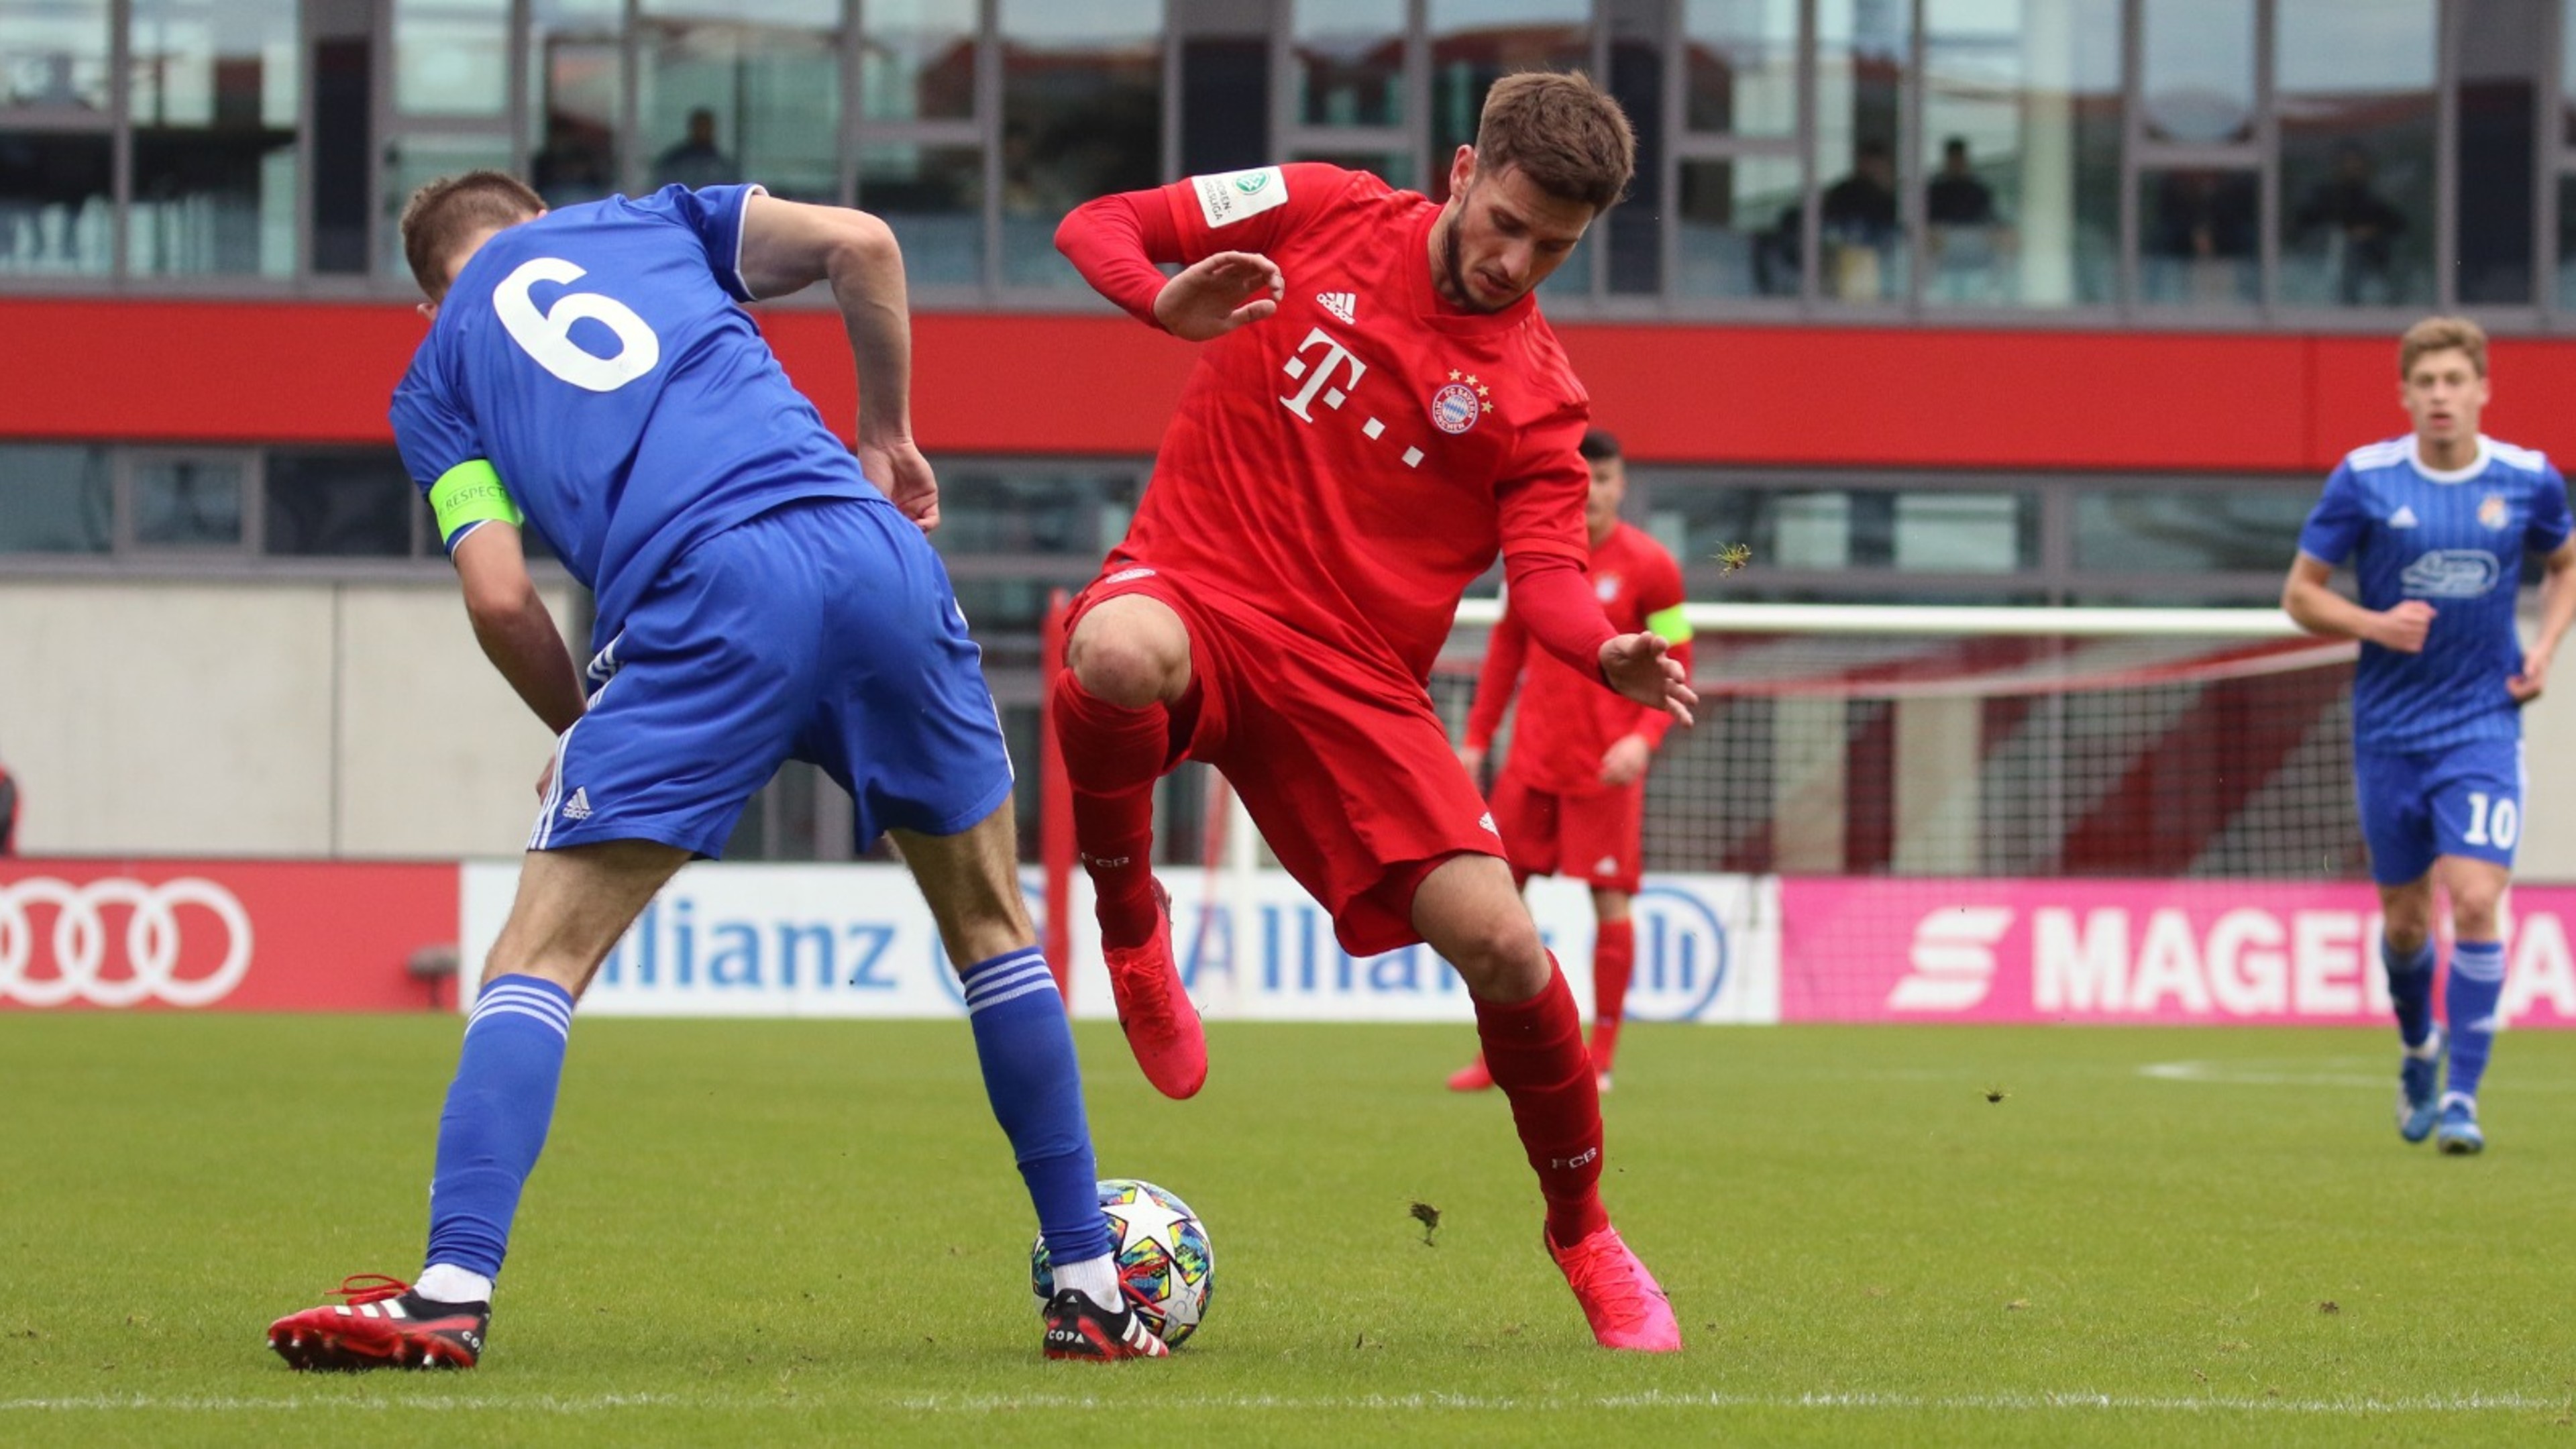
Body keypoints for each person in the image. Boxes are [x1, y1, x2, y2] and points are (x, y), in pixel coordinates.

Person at [265, 171, 1163, 1369]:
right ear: (542, 217)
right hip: (875, 558)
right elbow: (864, 243)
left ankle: (450, 1292)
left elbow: (499, 596)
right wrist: (886, 435)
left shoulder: (438, 377)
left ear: (431, 298)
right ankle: (1092, 1290)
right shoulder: (647, 219)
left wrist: (584, 725)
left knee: (537, 960)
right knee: (995, 933)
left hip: (706, 596)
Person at [1051, 70, 1695, 1353]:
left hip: (1355, 684)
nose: (1516, 262)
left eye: (1553, 248)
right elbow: (1097, 223)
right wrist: (1160, 300)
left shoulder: (1541, 402)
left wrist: (1604, 649)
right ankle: (1132, 927)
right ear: (1463, 171)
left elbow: (1547, 582)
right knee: (1113, 649)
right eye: (1505, 223)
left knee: (1505, 945)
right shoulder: (1320, 207)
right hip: (1199, 591)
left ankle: (1585, 1235)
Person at [2284, 315, 2576, 1157]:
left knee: (2477, 898)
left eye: (2455, 380)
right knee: (2407, 923)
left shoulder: (2528, 479)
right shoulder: (2365, 479)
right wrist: (2374, 623)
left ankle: (2462, 1100)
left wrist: (2547, 650)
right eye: (2426, 383)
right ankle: (2418, 1047)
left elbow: (2564, 565)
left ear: (2483, 390)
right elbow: (2301, 594)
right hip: (2389, 730)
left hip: (2483, 723)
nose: (2441, 395)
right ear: (2405, 395)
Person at [1446, 427, 1689, 1095]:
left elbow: (1681, 659)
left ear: (1621, 485)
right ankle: (1499, 1056)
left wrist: (1642, 739)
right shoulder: (1537, 560)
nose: (1594, 494)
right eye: (1584, 480)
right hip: (1531, 763)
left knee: (1610, 903)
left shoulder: (1654, 567)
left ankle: (1600, 1057)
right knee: (1494, 909)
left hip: (1604, 770)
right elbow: (1505, 654)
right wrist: (1477, 738)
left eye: (1605, 480)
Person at [2294, 144, 2409, 306]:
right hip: (2322, 267)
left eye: (2357, 166)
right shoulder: (2323, 197)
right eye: (2347, 164)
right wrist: (2341, 233)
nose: (2352, 170)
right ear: (2337, 167)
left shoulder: (2373, 202)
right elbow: (2305, 224)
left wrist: (2372, 232)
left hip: (2368, 268)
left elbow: (2397, 226)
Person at [652, 107, 734, 189]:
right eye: (700, 126)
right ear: (693, 128)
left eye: (706, 127)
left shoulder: (722, 167)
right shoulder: (675, 163)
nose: (703, 131)